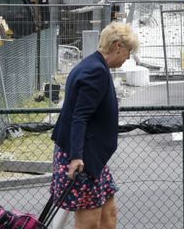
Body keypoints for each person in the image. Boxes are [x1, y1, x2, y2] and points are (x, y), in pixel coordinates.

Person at [50, 21, 138, 229]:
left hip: (92, 158)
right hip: (82, 158)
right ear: (118, 45)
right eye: (129, 51)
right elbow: (79, 117)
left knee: (109, 215)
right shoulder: (96, 71)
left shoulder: (92, 64)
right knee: (89, 222)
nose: (128, 57)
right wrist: (76, 157)